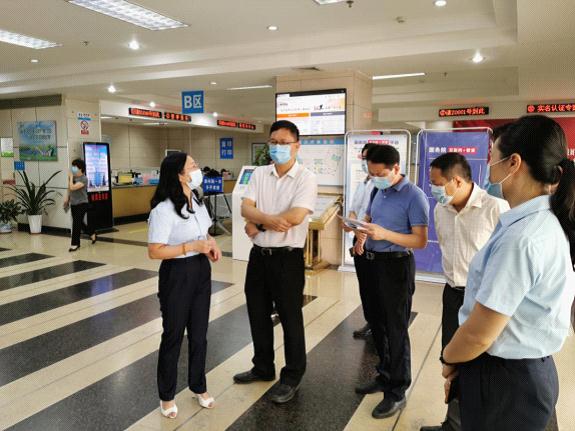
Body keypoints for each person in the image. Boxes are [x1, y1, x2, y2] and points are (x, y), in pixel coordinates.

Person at [441, 115, 575, 431]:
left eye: (492, 158)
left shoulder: (522, 238)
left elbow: (479, 333)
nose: (488, 168)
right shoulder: (539, 224)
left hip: (506, 384)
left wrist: (449, 358)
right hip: (523, 374)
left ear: (513, 163)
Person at [420, 152, 509, 431]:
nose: (433, 189)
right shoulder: (440, 209)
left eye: (436, 183)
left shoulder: (495, 208)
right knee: (452, 357)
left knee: (486, 362)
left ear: (456, 180)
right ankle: (454, 423)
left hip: (486, 300)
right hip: (453, 294)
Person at [233, 120, 318, 404]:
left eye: (283, 142)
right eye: (273, 142)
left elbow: (294, 217)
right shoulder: (260, 173)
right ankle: (263, 367)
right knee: (257, 313)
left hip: (287, 259)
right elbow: (246, 207)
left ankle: (292, 375)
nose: (277, 147)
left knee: (290, 318)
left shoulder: (306, 178)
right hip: (259, 257)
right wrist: (266, 222)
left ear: (297, 146)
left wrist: (259, 224)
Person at [353, 144, 429, 419]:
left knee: (396, 329)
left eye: (379, 173)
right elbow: (370, 218)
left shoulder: (415, 196)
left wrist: (384, 233)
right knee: (377, 323)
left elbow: (419, 240)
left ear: (396, 168)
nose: (374, 178)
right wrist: (361, 234)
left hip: (396, 266)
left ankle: (397, 390)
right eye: (371, 173)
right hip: (370, 263)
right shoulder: (377, 189)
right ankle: (384, 374)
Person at [148, 152, 222, 419]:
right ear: (179, 174)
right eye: (193, 166)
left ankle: (198, 385)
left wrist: (211, 246)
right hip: (176, 274)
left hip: (201, 271)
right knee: (173, 336)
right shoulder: (163, 209)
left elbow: (205, 233)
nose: (197, 169)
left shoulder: (198, 201)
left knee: (200, 334)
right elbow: (155, 251)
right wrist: (191, 246)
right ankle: (166, 395)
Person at [342, 143, 376, 340]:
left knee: (373, 285)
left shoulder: (380, 186)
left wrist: (360, 230)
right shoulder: (363, 183)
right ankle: (370, 321)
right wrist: (351, 224)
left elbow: (374, 217)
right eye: (362, 158)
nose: (364, 162)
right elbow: (354, 209)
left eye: (367, 158)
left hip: (371, 240)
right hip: (358, 236)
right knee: (364, 284)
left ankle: (376, 323)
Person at [64, 158, 96, 252]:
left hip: (82, 203)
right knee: (80, 223)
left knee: (76, 223)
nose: (72, 168)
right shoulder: (73, 177)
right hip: (74, 203)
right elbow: (69, 189)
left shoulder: (84, 179)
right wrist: (67, 198)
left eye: (75, 167)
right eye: (72, 166)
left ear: (81, 168)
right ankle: (92, 234)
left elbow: (73, 187)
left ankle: (75, 244)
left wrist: (70, 178)